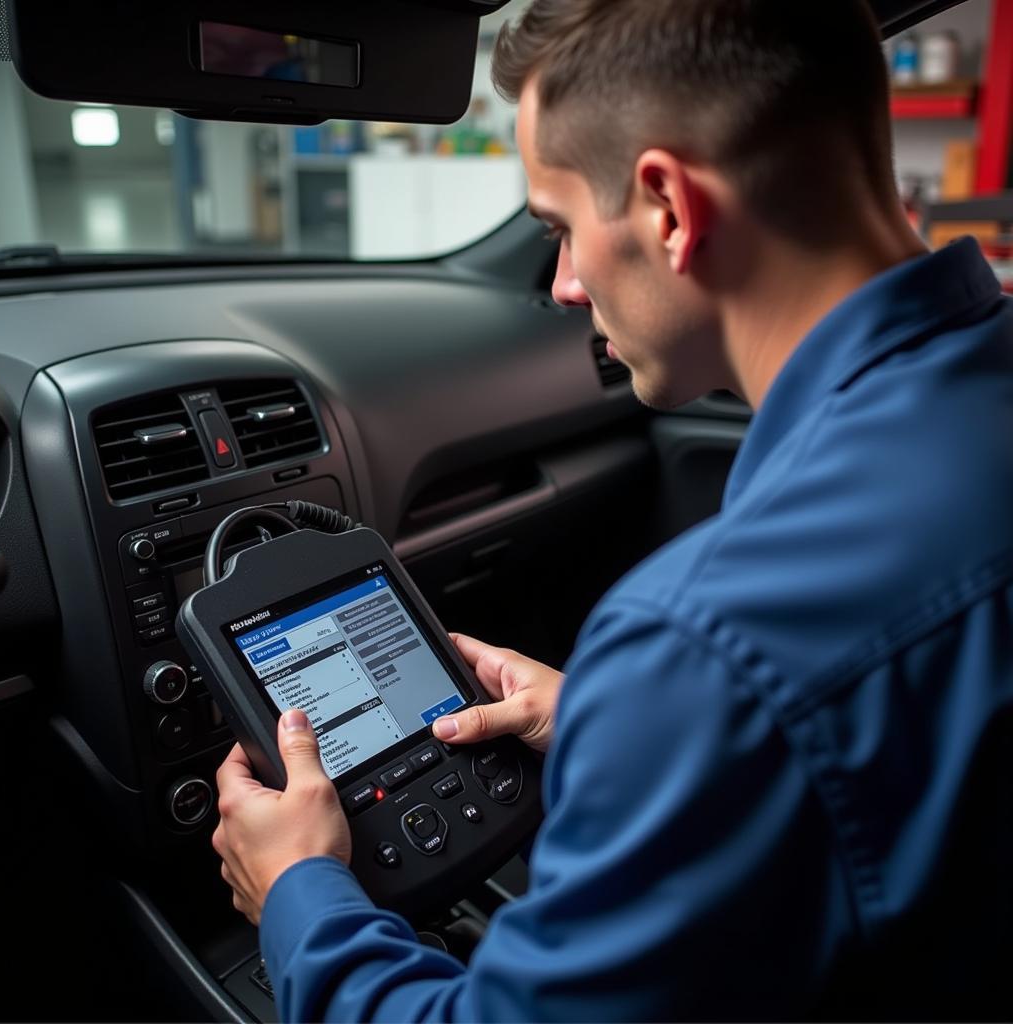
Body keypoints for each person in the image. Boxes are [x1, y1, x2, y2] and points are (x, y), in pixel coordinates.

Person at [213, 0, 1013, 1018]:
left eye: (558, 230)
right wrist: (613, 722)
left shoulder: (705, 648)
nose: (560, 287)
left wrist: (299, 894)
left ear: (668, 209)